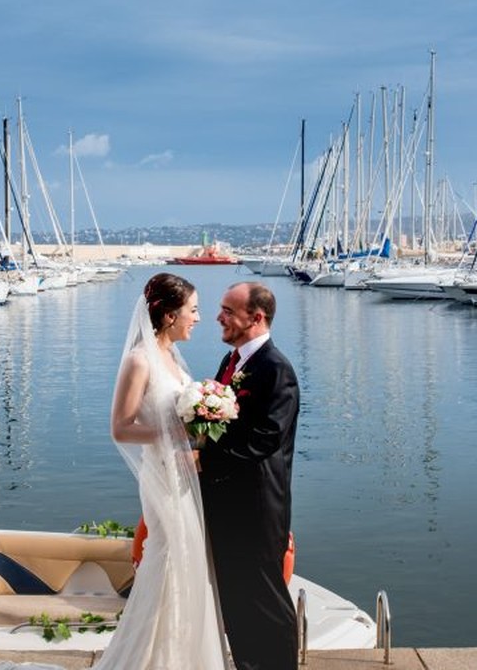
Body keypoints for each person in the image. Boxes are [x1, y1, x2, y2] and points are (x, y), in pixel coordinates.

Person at [93, 271, 229, 669]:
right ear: (169, 315)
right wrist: (177, 430)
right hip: (161, 479)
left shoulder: (171, 357)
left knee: (188, 559)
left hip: (184, 479)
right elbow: (120, 427)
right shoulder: (140, 360)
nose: (198, 318)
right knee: (167, 555)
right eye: (193, 310)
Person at [199, 281, 300, 670]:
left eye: (227, 310)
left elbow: (266, 439)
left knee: (265, 596)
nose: (218, 317)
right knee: (236, 595)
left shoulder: (276, 369)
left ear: (255, 318)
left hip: (258, 505)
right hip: (228, 501)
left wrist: (205, 461)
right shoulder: (231, 363)